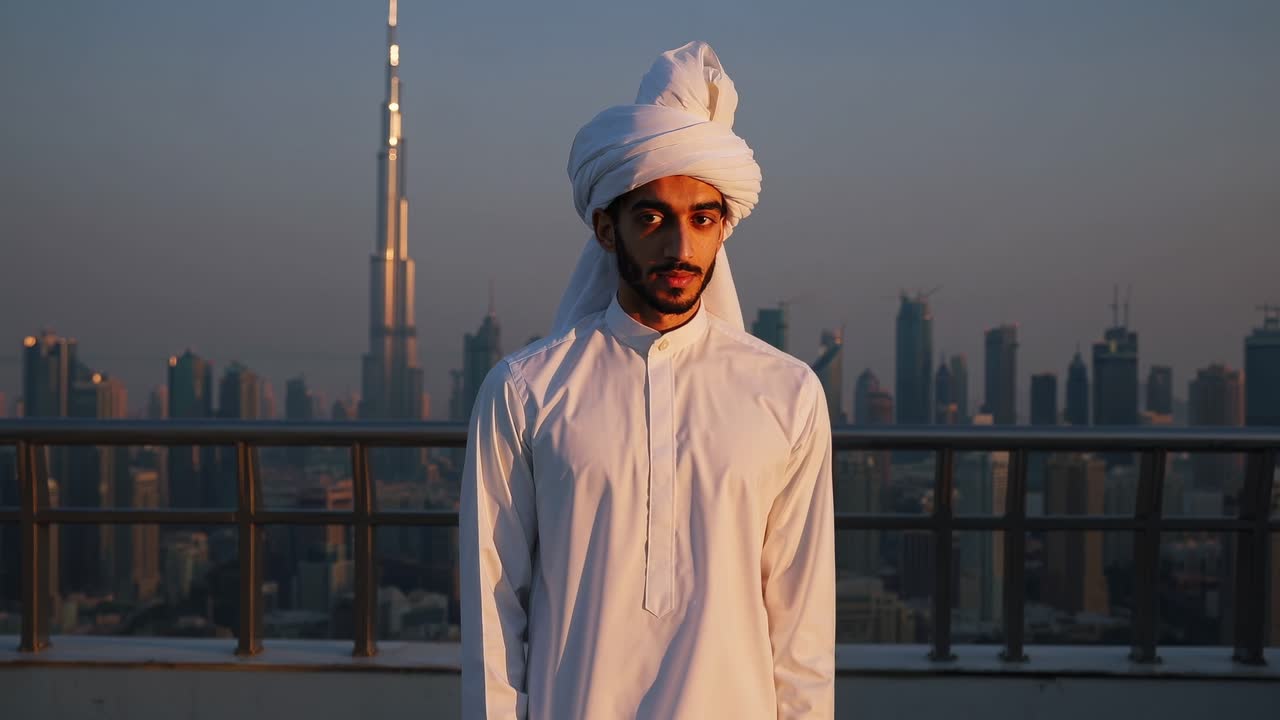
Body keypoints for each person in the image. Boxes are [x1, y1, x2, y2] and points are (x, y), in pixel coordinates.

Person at [460, 41, 834, 719]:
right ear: (608, 229)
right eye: (652, 217)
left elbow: (802, 630)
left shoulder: (786, 394)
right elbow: (493, 612)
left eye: (703, 219)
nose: (680, 247)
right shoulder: (525, 391)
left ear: (725, 230)